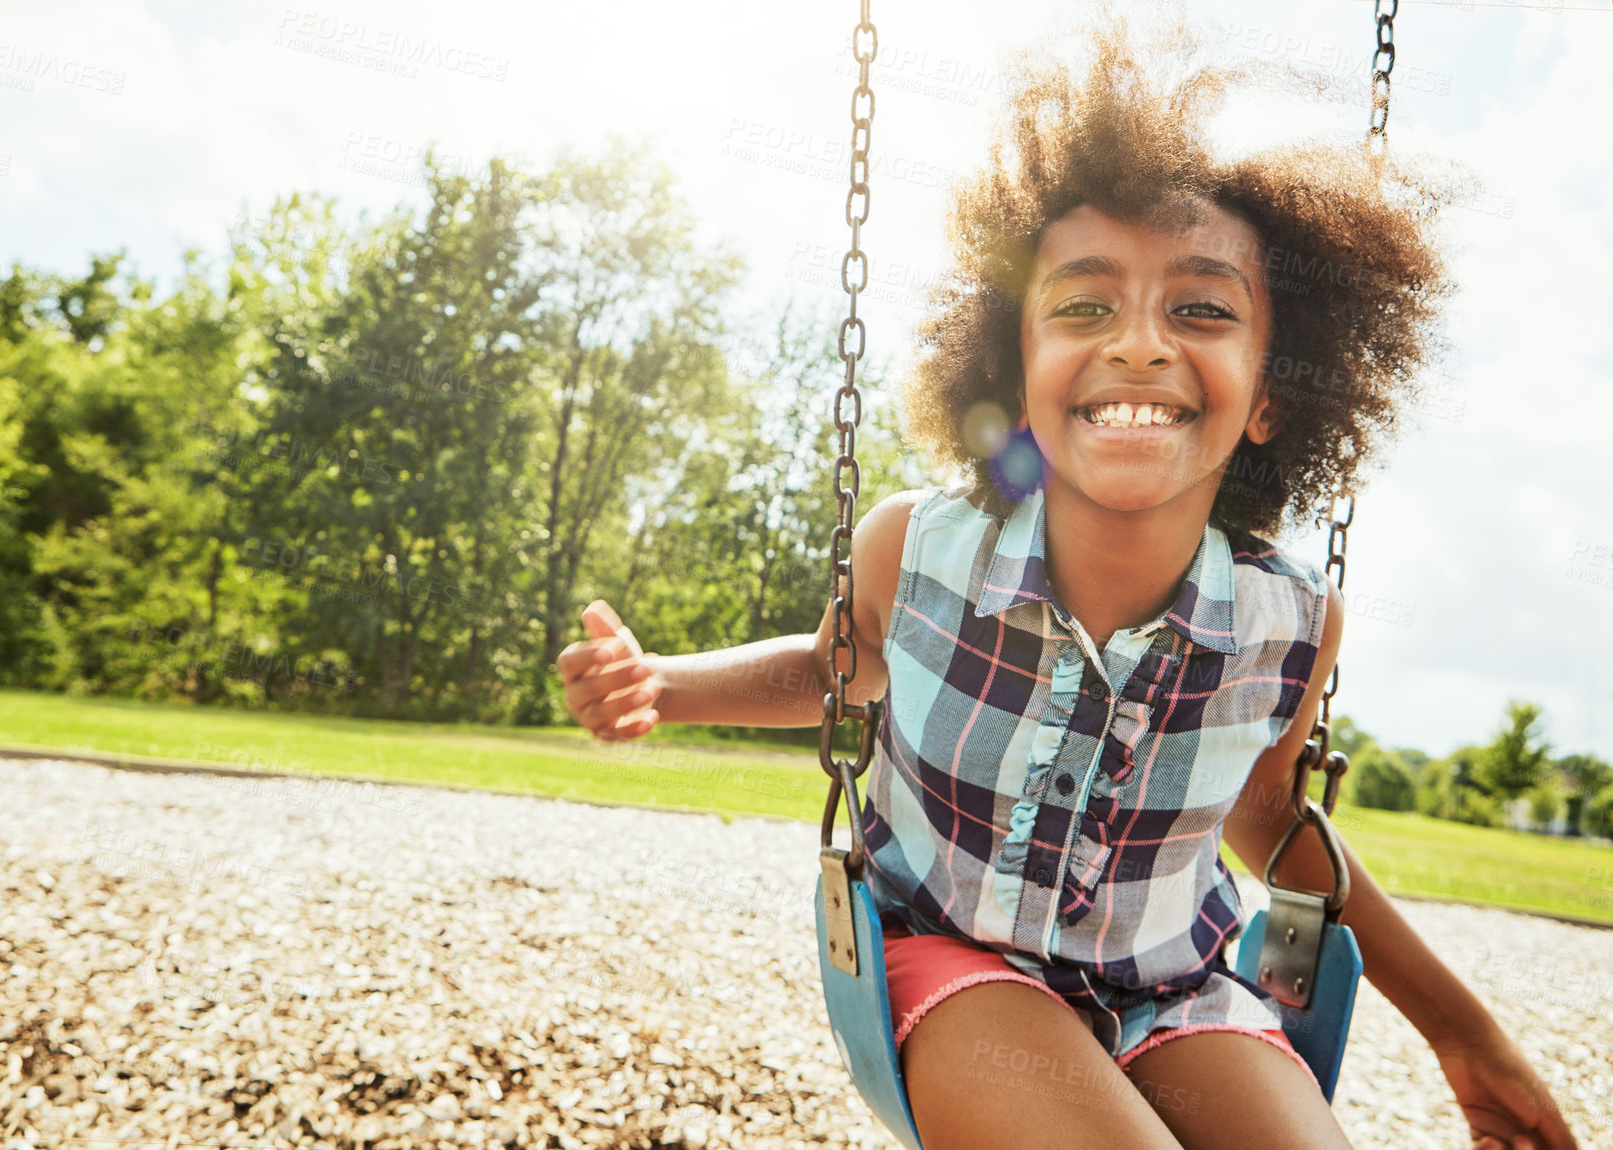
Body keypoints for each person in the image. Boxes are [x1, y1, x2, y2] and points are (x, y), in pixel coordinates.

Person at [557, 12, 1580, 1150]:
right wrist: (667, 682)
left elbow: (1273, 816)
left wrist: (1463, 1032)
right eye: (1083, 305)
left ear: (1273, 395)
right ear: (1020, 370)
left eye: (1200, 308)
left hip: (1173, 989)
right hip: (950, 954)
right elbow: (835, 669)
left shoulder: (1288, 621)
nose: (1139, 342)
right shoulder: (920, 545)